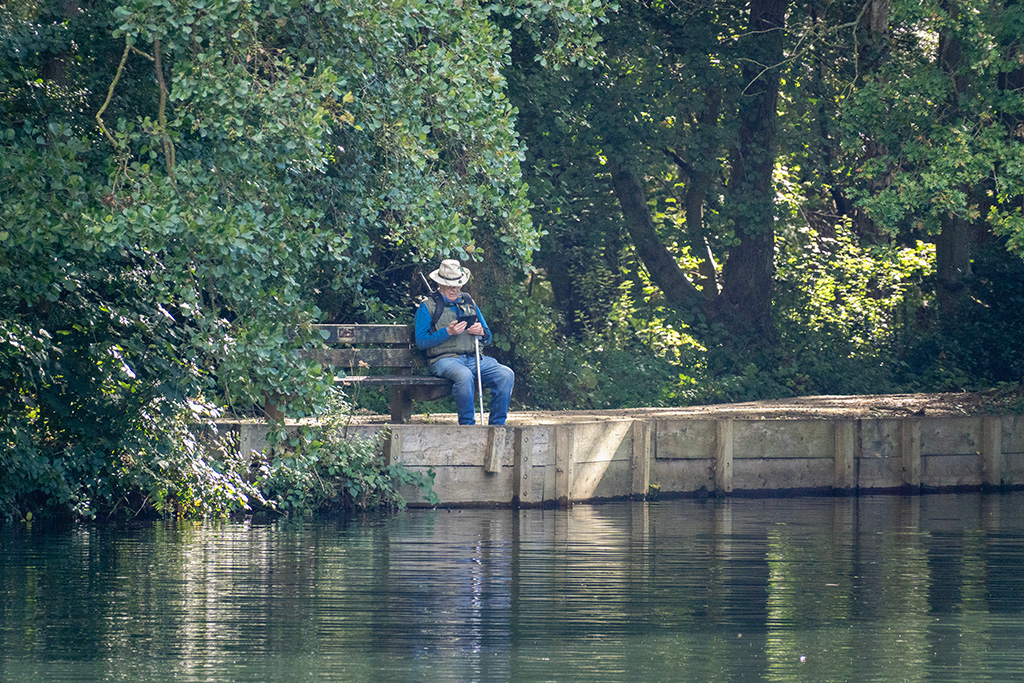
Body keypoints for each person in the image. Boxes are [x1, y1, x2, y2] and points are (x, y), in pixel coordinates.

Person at [414, 259, 514, 425]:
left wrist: (481, 332)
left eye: (457, 284)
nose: (455, 289)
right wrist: (447, 332)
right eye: (450, 285)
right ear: (440, 284)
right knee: (464, 375)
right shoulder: (428, 306)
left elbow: (487, 336)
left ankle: (497, 426)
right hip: (443, 360)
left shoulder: (469, 302)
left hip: (474, 358)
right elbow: (421, 341)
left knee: (506, 374)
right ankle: (468, 426)